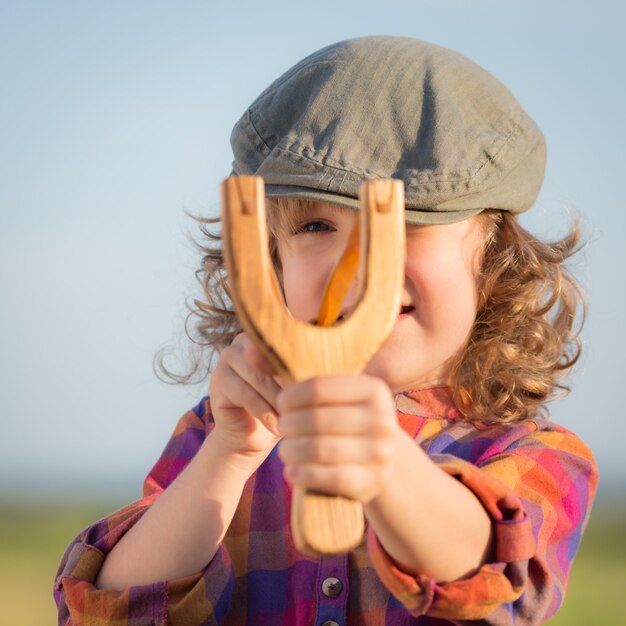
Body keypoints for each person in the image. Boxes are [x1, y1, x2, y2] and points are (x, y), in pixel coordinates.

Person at [54, 36, 598, 625]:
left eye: (407, 226)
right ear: (270, 264)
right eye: (315, 225)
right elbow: (108, 610)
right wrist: (228, 456)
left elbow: (493, 580)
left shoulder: (534, 456)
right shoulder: (218, 434)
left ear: (493, 264)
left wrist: (382, 459)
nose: (358, 268)